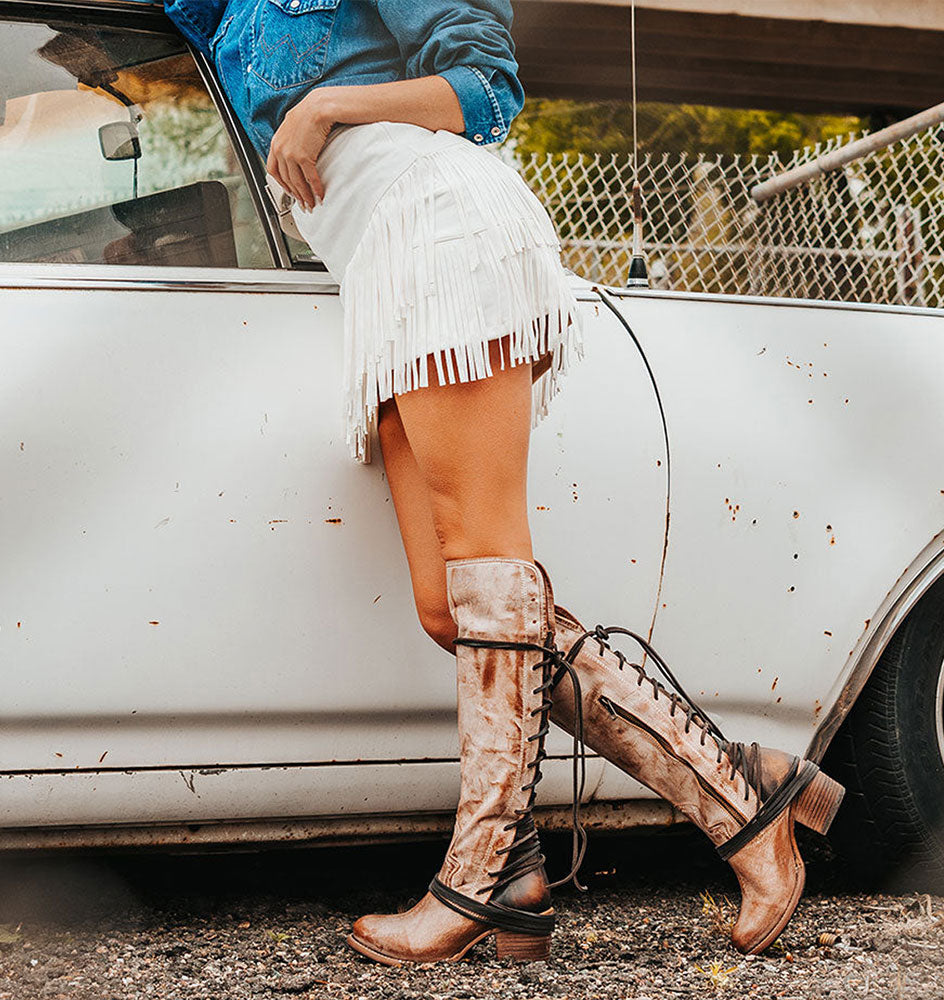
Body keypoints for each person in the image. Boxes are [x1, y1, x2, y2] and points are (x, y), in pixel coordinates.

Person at [164, 0, 846, 967]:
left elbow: (489, 90)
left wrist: (327, 107)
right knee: (452, 607)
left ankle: (481, 876)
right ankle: (726, 796)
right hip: (376, 267)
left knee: (489, 569)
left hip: (436, 226)